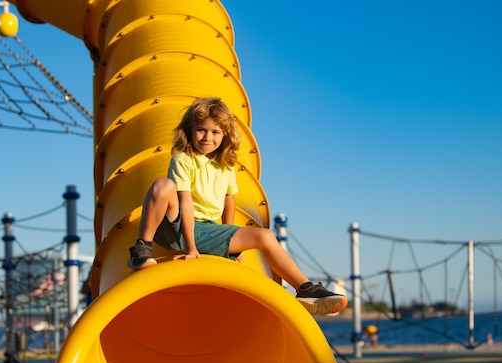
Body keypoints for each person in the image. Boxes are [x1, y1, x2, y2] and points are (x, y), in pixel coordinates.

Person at [127, 97, 347, 315]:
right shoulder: (183, 159)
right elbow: (185, 202)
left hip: (207, 229)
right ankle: (142, 248)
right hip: (174, 227)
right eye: (201, 130)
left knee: (266, 236)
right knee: (163, 186)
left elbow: (228, 199)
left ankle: (305, 289)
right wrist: (191, 249)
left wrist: (228, 238)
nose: (207, 137)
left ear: (225, 135)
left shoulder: (226, 165)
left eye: (215, 132)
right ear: (189, 130)